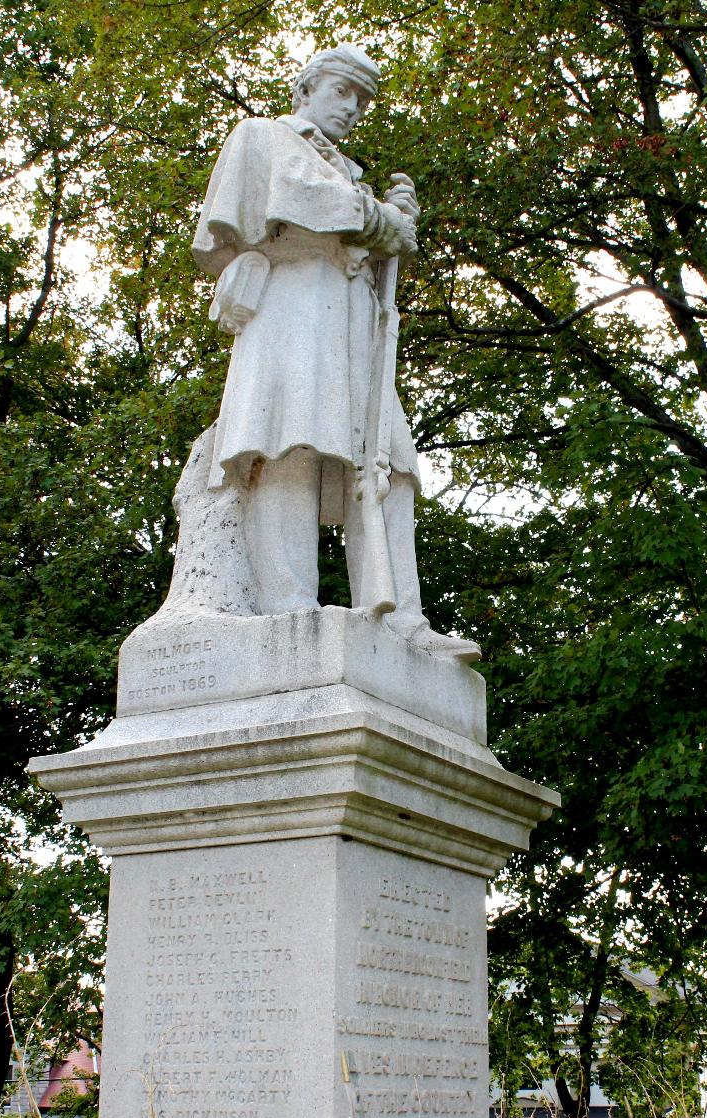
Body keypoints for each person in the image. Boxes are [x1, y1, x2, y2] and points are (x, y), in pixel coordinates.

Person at [192, 45, 479, 661]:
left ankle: (405, 621)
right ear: (305, 89)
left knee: (390, 464)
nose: (352, 108)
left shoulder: (350, 174)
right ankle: (289, 606)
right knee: (289, 445)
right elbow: (295, 203)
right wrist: (382, 223)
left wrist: (388, 229)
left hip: (352, 327)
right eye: (342, 91)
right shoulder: (264, 138)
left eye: (362, 100)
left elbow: (356, 231)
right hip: (291, 312)